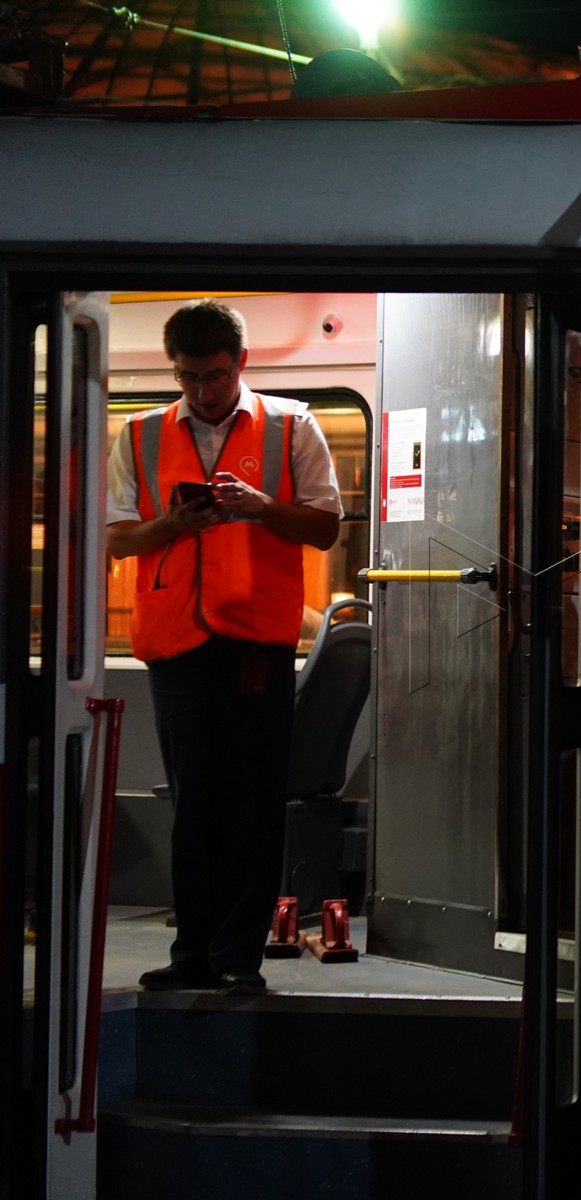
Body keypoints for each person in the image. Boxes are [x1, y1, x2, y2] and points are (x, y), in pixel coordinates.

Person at [107, 300, 343, 994]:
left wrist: (260, 506)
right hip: (176, 642)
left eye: (213, 375)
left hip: (255, 645)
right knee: (194, 804)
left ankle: (238, 956)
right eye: (187, 377)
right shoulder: (140, 434)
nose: (202, 391)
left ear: (241, 362)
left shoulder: (292, 425)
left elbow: (325, 528)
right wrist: (173, 524)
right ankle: (192, 952)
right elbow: (117, 539)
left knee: (253, 803)